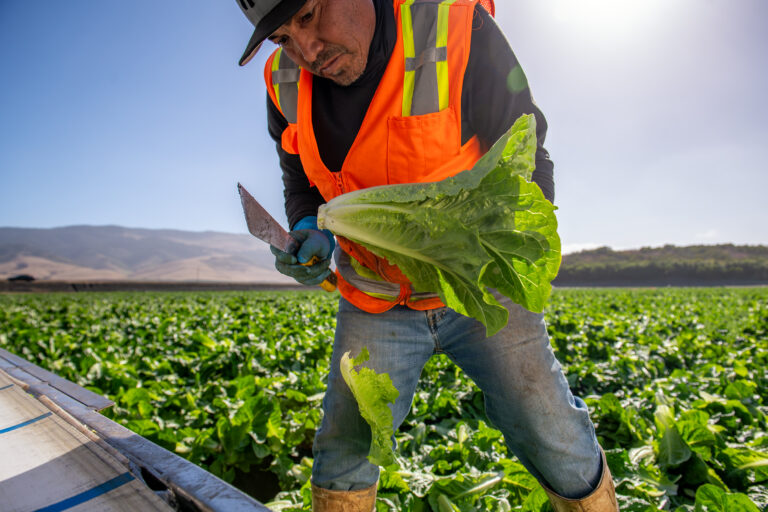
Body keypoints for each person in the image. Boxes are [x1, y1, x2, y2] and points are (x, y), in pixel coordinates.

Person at [235, 0, 619, 510]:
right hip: (375, 298)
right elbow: (300, 179)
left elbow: (525, 149)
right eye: (283, 37)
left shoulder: (452, 24)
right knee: (345, 452)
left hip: (479, 288)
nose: (306, 49)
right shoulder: (281, 80)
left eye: (308, 16)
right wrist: (308, 226)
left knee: (552, 433)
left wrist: (504, 251)